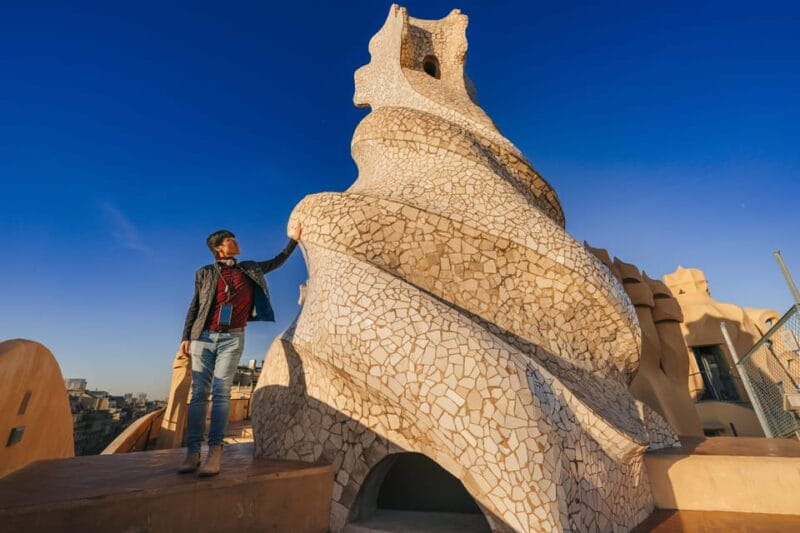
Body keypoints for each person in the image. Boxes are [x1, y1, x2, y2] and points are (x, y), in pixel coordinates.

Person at [177, 228, 300, 476]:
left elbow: (277, 261)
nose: (237, 242)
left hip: (233, 337)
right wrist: (186, 337)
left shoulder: (249, 268)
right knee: (199, 393)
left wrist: (294, 241)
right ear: (219, 248)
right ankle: (192, 452)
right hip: (203, 336)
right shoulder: (205, 273)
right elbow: (196, 305)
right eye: (231, 240)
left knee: (221, 391)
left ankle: (215, 452)